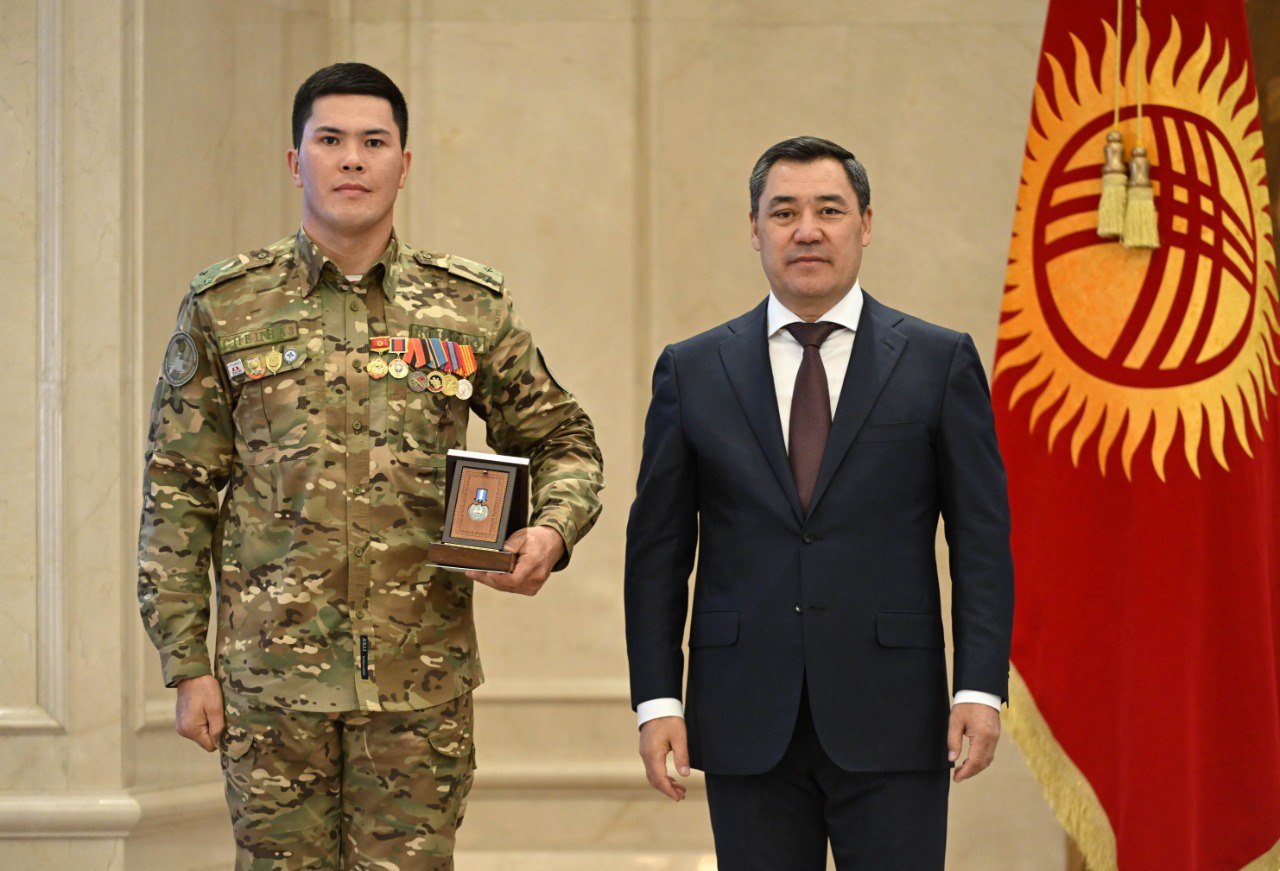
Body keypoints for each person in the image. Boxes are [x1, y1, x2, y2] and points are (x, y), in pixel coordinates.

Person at [137, 62, 603, 869]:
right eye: (330, 140)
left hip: (418, 686)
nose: (352, 158)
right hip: (270, 687)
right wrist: (185, 663)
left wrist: (550, 531)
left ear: (404, 163)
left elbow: (564, 438)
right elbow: (178, 489)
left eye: (373, 142)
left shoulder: (467, 307)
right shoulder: (227, 304)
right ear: (296, 162)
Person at [624, 136, 1013, 869]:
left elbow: (982, 541)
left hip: (896, 714)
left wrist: (980, 688)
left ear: (865, 224)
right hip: (745, 715)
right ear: (754, 230)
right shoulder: (694, 369)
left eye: (829, 210)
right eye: (784, 212)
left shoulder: (937, 361)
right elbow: (657, 555)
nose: (807, 230)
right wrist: (658, 701)